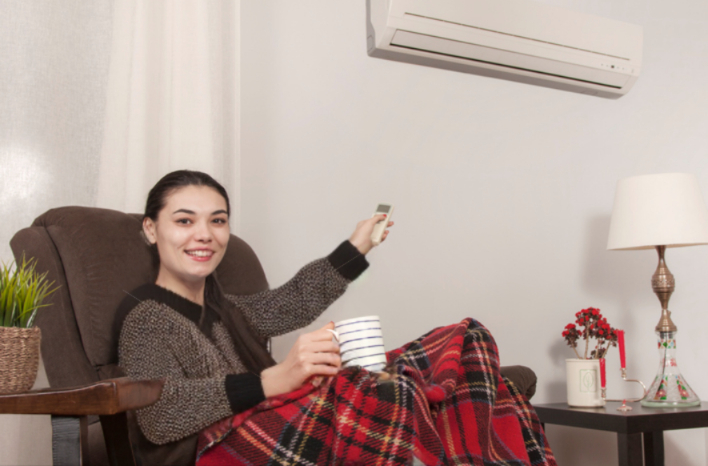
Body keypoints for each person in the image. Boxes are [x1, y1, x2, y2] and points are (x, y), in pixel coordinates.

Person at [118, 170, 557, 466]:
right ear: (151, 229)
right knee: (386, 389)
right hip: (220, 450)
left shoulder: (226, 308)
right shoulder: (146, 318)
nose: (204, 235)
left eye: (217, 221)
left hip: (274, 420)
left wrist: (358, 245)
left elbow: (295, 301)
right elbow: (160, 418)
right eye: (184, 220)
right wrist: (278, 379)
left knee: (466, 339)